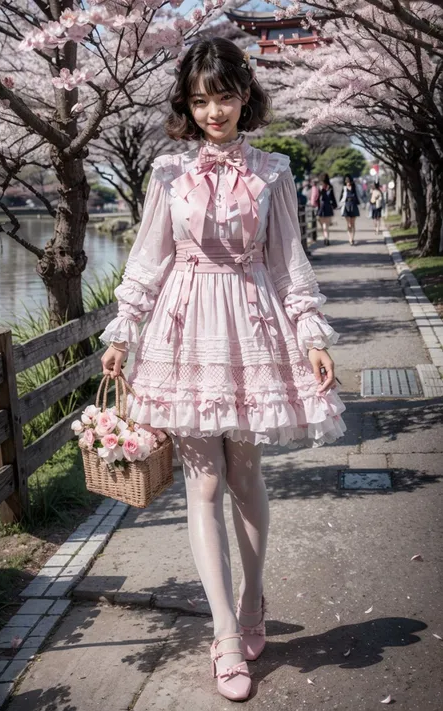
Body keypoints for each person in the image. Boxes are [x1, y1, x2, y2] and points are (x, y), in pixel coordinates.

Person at [100, 38, 346, 703]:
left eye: (225, 96)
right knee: (202, 481)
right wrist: (124, 331)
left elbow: (290, 261)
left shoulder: (273, 171)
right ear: (188, 102)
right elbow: (147, 262)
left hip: (252, 327)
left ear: (245, 97)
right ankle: (226, 634)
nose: (214, 111)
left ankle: (253, 595)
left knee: (245, 473)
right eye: (202, 99)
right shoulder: (166, 173)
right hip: (184, 335)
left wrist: (312, 334)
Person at [317, 173, 337, 246]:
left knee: (323, 225)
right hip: (328, 207)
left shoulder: (319, 187)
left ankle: (325, 238)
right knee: (327, 225)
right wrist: (334, 205)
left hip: (321, 207)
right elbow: (333, 197)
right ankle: (327, 238)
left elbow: (317, 198)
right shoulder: (330, 186)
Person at [340, 174, 360, 245]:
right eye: (346, 181)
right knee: (349, 224)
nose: (347, 182)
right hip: (346, 206)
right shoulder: (344, 188)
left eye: (348, 180)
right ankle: (349, 238)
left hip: (353, 206)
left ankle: (352, 238)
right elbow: (341, 198)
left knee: (352, 223)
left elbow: (358, 196)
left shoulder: (354, 187)